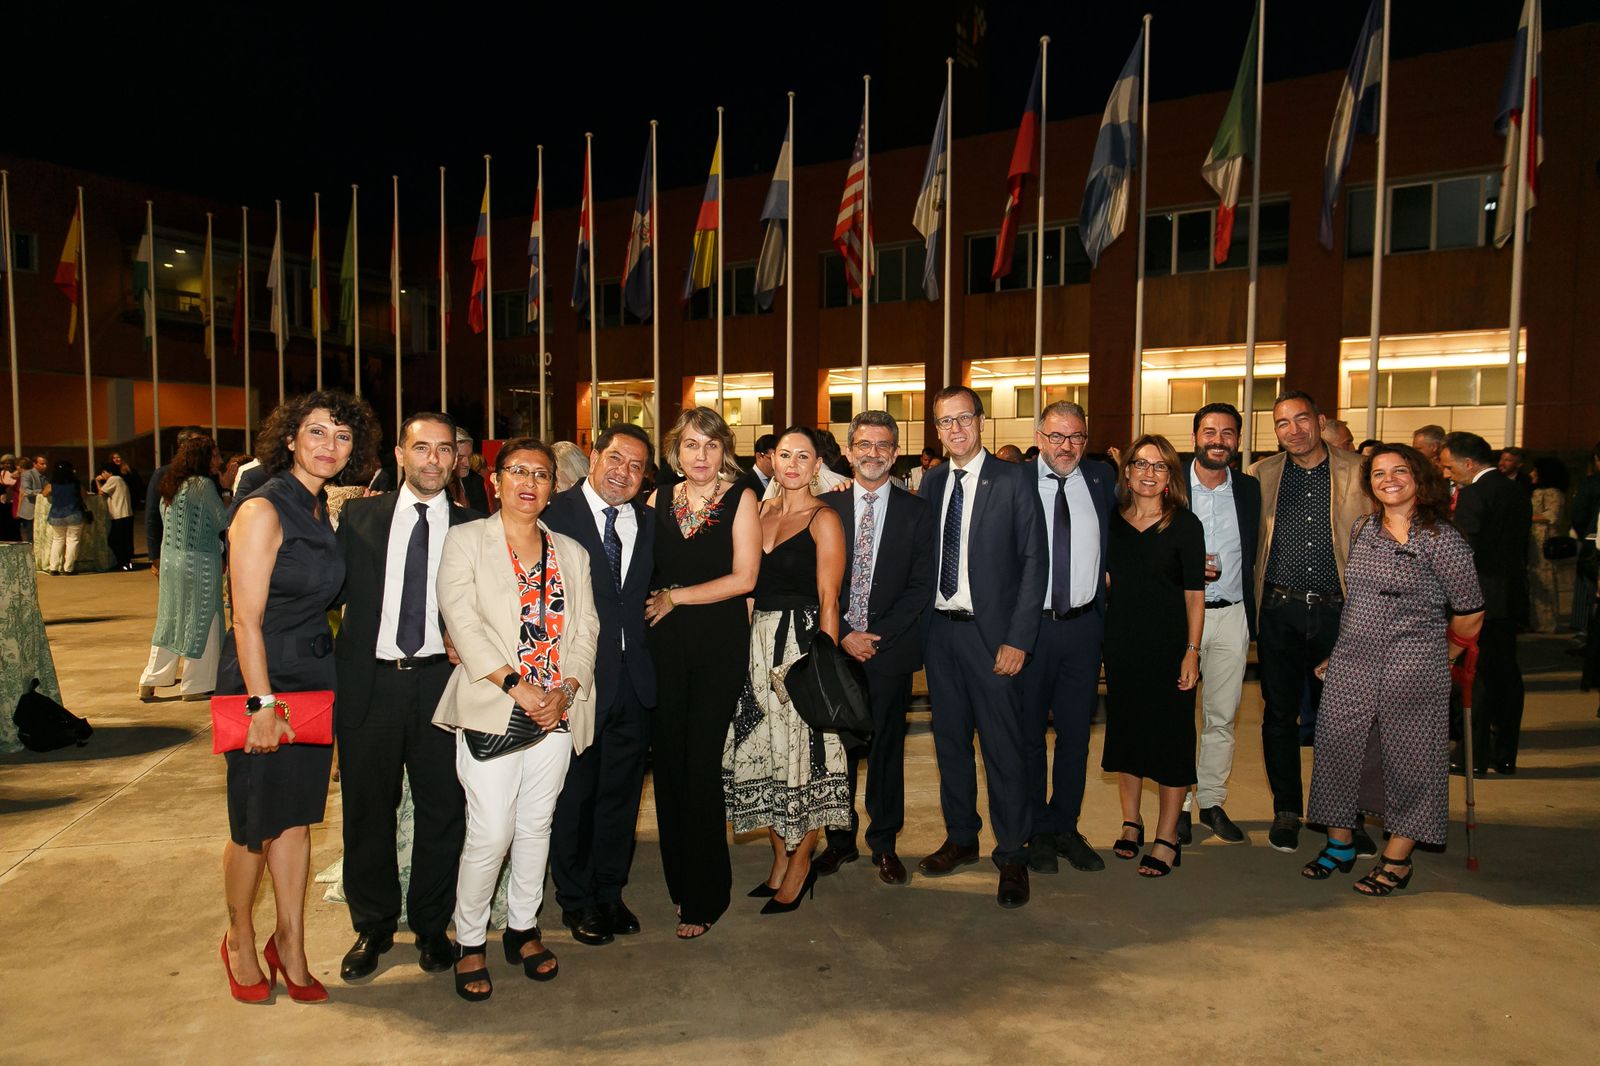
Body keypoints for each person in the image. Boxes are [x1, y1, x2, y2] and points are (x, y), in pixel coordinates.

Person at [218, 390, 379, 1005]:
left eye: (341, 437)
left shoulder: (320, 510)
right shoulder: (263, 508)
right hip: (265, 680)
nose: (328, 446)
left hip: (314, 678)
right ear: (289, 438)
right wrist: (261, 706)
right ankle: (238, 936)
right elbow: (246, 619)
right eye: (316, 432)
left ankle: (290, 942)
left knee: (297, 817)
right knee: (254, 822)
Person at [433, 438, 599, 1001]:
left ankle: (524, 928)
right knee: (490, 831)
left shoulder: (571, 552)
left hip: (557, 711)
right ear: (496, 480)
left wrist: (566, 689)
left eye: (542, 474)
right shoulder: (465, 542)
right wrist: (518, 687)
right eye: (518, 471)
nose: (530, 482)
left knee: (536, 824)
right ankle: (471, 939)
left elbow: (586, 630)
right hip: (493, 707)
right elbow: (462, 619)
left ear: (554, 488)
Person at [333, 412, 481, 983]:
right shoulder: (359, 516)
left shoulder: (474, 527)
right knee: (368, 808)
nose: (433, 460)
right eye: (422, 448)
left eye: (444, 450)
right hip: (369, 681)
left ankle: (429, 924)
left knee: (443, 808)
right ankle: (372, 925)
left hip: (441, 686)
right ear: (399, 454)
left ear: (456, 458)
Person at [1303, 443, 1483, 894]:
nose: (1388, 479)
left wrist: (1444, 657)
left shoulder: (1442, 538)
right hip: (1352, 660)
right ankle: (1340, 842)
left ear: (1419, 478)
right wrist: (1338, 651)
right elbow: (1358, 599)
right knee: (1338, 749)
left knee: (1411, 760)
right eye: (1379, 473)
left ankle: (1397, 860)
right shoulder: (1364, 527)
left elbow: (1471, 611)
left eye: (1399, 470)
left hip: (1413, 664)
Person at [917, 386, 1048, 909]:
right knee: (950, 744)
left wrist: (1018, 638)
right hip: (940, 634)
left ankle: (1012, 853)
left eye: (963, 419)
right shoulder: (930, 483)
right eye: (944, 423)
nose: (955, 430)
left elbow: (1035, 561)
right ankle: (962, 838)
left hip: (992, 638)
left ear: (981, 422)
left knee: (1002, 748)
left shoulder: (1014, 480)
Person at [644, 407, 759, 939]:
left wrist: (676, 596)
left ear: (724, 450)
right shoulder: (656, 499)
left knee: (700, 765)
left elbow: (744, 577)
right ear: (676, 450)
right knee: (668, 765)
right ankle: (679, 883)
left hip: (717, 644)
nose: (701, 456)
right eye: (692, 446)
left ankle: (707, 893)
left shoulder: (742, 498)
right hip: (663, 645)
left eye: (711, 446)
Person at [726, 425, 850, 912]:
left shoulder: (824, 518)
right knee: (770, 753)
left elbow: (829, 597)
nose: (793, 464)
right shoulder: (758, 511)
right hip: (757, 645)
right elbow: (747, 588)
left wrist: (824, 665)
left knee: (805, 755)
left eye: (804, 456)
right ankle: (779, 859)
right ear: (771, 461)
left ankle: (802, 864)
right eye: (785, 455)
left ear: (818, 464)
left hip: (800, 646)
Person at [543, 424, 657, 946]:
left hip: (635, 682)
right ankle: (576, 898)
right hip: (577, 681)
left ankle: (610, 891)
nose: (623, 473)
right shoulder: (552, 513)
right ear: (594, 456)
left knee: (621, 796)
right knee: (576, 796)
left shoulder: (651, 524)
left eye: (636, 467)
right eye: (616, 459)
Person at [814, 411, 934, 886]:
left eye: (883, 445)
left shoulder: (917, 510)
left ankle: (884, 843)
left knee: (887, 751)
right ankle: (839, 841)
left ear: (896, 452)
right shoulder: (826, 507)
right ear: (847, 451)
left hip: (889, 651)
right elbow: (814, 581)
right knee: (835, 749)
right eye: (863, 444)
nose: (873, 453)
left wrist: (875, 637)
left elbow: (921, 584)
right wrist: (844, 631)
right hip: (836, 647)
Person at [1248, 391, 1370, 854]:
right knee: (1279, 713)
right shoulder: (1261, 475)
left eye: (1301, 419)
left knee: (1342, 718)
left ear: (1320, 421)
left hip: (1341, 610)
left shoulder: (1358, 471)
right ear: (1274, 431)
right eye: (1282, 423)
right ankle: (1286, 809)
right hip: (1279, 609)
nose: (1293, 430)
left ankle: (1345, 814)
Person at [1100, 435, 1205, 877]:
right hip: (1123, 647)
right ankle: (1131, 820)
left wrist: (1191, 652)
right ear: (1126, 472)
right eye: (1140, 464)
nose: (1148, 472)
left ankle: (1167, 835)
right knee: (1126, 735)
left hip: (1169, 650)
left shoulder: (1185, 525)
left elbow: (1196, 595)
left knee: (1170, 741)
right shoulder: (1111, 522)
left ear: (1170, 477)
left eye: (1159, 466)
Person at [1019, 402, 1115, 877]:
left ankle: (1066, 827)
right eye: (1057, 436)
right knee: (1029, 736)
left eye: (1076, 436)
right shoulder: (1014, 481)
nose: (1067, 446)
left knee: (1076, 736)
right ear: (1039, 436)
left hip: (1083, 628)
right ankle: (1036, 829)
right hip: (1030, 631)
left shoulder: (1101, 480)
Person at [1179, 403, 1260, 846]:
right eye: (1210, 431)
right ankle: (1181, 804)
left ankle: (1210, 800)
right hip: (1179, 615)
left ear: (1238, 442)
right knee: (1177, 715)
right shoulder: (1169, 485)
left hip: (1232, 615)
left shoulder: (1248, 490)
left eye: (1228, 433)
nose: (1218, 440)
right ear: (1195, 436)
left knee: (1222, 716)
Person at [1440, 431, 1529, 775]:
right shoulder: (1515, 489)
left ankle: (1472, 757)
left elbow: (1465, 550)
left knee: (1475, 678)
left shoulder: (1475, 494)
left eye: (1449, 467)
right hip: (1509, 597)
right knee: (1506, 676)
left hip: (1479, 599)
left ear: (1469, 463)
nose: (1447, 474)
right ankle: (1505, 754)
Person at [137, 436, 227, 701]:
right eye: (214, 456)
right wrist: (227, 491)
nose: (219, 461)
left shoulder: (172, 484)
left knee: (170, 619)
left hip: (171, 562)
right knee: (204, 620)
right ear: (202, 458)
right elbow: (222, 520)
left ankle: (151, 678)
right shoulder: (202, 485)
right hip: (198, 564)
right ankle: (196, 685)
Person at [147, 426, 205, 574]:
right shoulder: (163, 474)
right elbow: (152, 517)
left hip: (203, 553)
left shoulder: (208, 475)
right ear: (183, 446)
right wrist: (155, 556)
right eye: (196, 442)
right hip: (173, 552)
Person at [1527, 457, 1569, 633]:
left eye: (1535, 471)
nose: (1531, 474)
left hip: (1544, 540)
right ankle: (1537, 620)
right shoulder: (1538, 491)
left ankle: (1547, 622)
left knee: (1546, 579)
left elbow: (1552, 515)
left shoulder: (1552, 493)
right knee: (1535, 580)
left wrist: (1526, 516)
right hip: (1534, 540)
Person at [1571, 443, 1600, 644]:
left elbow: (1579, 515)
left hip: (1592, 540)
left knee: (1586, 587)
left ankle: (1584, 628)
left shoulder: (1591, 482)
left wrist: (1584, 534)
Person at [42, 459, 88, 575]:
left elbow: (44, 493)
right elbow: (85, 496)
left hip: (56, 515)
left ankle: (54, 568)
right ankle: (69, 568)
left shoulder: (53, 484)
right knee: (73, 541)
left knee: (57, 540)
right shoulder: (76, 483)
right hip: (74, 514)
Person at [96, 460, 134, 569]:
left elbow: (101, 492)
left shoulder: (114, 479)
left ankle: (122, 563)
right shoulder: (120, 479)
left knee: (115, 540)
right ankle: (125, 563)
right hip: (125, 514)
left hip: (119, 514)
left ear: (108, 472)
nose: (102, 475)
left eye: (103, 473)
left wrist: (98, 482)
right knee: (123, 540)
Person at [452, 426, 490, 513]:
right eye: (460, 457)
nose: (467, 464)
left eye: (469, 457)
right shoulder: (435, 484)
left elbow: (484, 518)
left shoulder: (476, 480)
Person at [18, 455, 45, 543]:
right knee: (30, 537)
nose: (45, 466)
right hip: (30, 512)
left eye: (45, 464)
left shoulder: (44, 476)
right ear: (35, 464)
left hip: (41, 512)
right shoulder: (27, 474)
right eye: (42, 464)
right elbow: (26, 491)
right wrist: (42, 491)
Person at [0, 455, 20, 541]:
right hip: (3, 501)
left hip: (14, 501)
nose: (7, 465)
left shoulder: (18, 473)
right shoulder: (1, 473)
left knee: (13, 522)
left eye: (9, 463)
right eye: (5, 463)